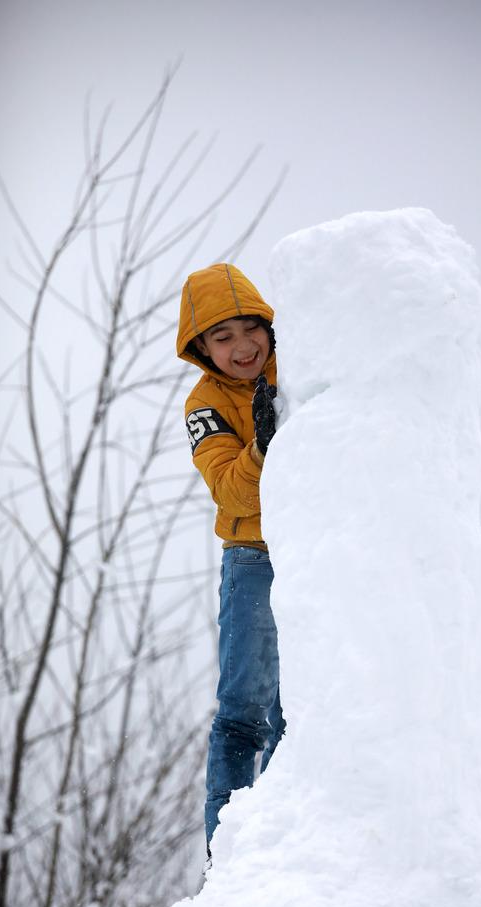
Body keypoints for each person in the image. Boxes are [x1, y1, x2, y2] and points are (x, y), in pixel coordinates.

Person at [176, 263, 285, 862]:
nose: (243, 346)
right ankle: (233, 862)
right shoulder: (204, 406)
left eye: (252, 329)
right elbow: (232, 492)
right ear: (201, 347)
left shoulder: (299, 370)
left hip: (317, 548)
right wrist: (262, 447)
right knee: (245, 711)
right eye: (223, 337)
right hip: (254, 559)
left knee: (303, 709)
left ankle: (289, 844)